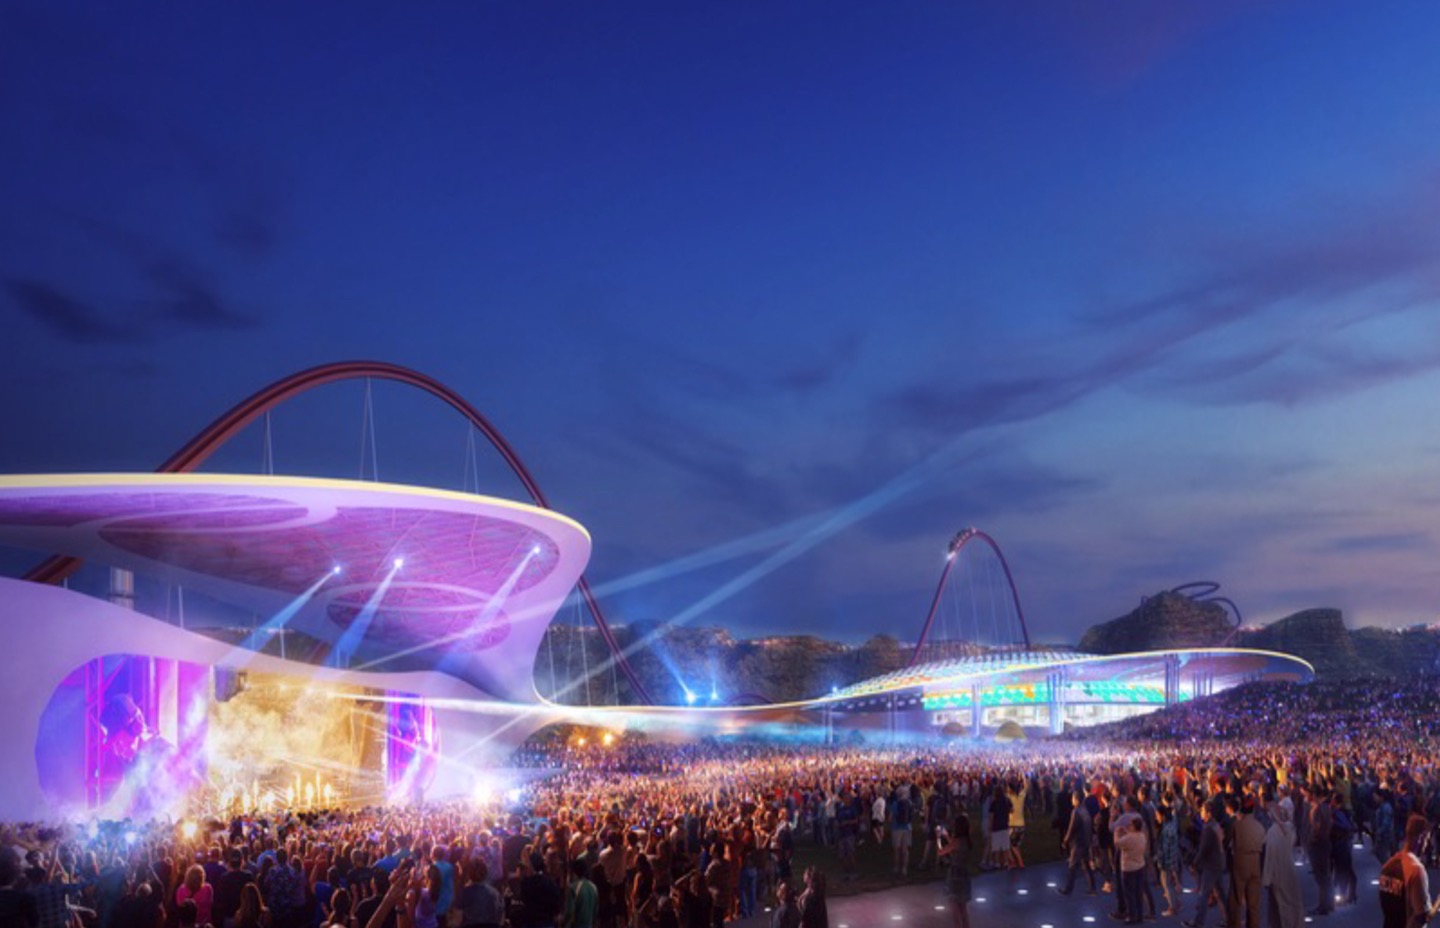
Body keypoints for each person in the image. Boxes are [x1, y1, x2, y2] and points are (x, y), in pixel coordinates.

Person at [1379, 814, 1438, 928]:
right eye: (1426, 840)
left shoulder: (1387, 865)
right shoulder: (1416, 870)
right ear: (1421, 837)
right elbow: (1422, 917)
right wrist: (1437, 903)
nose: (1426, 845)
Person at [1183, 800, 1227, 928]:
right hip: (1219, 862)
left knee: (1204, 894)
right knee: (1220, 893)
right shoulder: (1215, 825)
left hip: (1211, 865)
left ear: (1208, 813)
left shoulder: (1208, 828)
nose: (1200, 813)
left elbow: (1203, 850)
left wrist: (1194, 864)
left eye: (1202, 810)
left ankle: (1198, 922)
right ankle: (1230, 918)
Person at [1261, 802, 1303, 928]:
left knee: (1279, 903)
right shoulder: (1289, 829)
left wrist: (1266, 878)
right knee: (1292, 900)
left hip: (1277, 872)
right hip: (1289, 868)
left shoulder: (1272, 832)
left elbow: (1270, 856)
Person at [1231, 798, 1265, 928]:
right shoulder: (1259, 826)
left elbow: (1231, 844)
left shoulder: (1237, 825)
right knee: (1254, 903)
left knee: (1236, 901)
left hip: (1240, 861)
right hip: (1255, 862)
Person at [937, 812, 971, 928]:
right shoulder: (966, 840)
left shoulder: (956, 842)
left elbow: (940, 851)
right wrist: (946, 836)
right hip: (965, 874)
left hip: (955, 876)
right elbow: (954, 844)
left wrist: (938, 838)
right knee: (963, 909)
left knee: (955, 910)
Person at [1058, 791, 1095, 896]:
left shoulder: (1076, 811)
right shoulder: (1085, 810)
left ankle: (1068, 889)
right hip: (1086, 841)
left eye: (1073, 798)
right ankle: (1092, 888)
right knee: (1086, 865)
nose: (1072, 800)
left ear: (1076, 799)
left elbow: (1071, 828)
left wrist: (1065, 841)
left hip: (1078, 842)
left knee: (1072, 866)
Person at [1115, 816, 1147, 925]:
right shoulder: (1142, 836)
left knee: (1129, 894)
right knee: (1138, 893)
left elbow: (1117, 843)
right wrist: (1126, 831)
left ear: (1133, 826)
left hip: (1128, 869)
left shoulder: (1129, 838)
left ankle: (1132, 916)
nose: (1128, 826)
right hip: (1140, 866)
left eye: (1130, 825)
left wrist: (1116, 833)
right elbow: (1132, 836)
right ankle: (1139, 915)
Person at [563, 861, 597, 928]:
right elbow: (595, 911)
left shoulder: (574, 888)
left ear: (574, 872)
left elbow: (569, 912)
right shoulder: (593, 887)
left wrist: (564, 923)